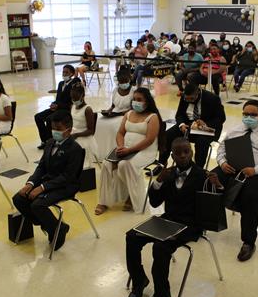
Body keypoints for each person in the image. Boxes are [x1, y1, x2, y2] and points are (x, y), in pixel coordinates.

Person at [126, 138, 211, 297]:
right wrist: (158, 181)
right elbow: (155, 202)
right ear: (172, 155)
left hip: (190, 225)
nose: (183, 156)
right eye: (178, 153)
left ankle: (161, 296)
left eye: (186, 151)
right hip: (168, 220)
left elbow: (210, 211)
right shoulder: (169, 173)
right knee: (132, 237)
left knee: (160, 247)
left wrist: (217, 186)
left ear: (192, 152)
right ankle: (139, 280)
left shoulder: (202, 175)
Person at [209, 100, 258, 260]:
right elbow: (221, 149)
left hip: (256, 172)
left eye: (253, 115)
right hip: (231, 167)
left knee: (250, 196)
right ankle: (207, 223)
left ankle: (248, 242)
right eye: (245, 114)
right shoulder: (234, 130)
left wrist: (255, 170)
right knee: (208, 181)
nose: (248, 117)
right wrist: (222, 163)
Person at [12, 110, 84, 252]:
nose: (54, 131)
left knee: (37, 205)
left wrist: (42, 187)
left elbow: (67, 177)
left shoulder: (75, 149)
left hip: (66, 185)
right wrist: (31, 184)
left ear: (69, 130)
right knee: (19, 199)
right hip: (49, 181)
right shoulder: (50, 143)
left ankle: (56, 229)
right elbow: (41, 167)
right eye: (53, 128)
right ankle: (54, 226)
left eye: (58, 129)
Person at [95, 87, 165, 215]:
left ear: (147, 101)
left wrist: (129, 150)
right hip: (125, 148)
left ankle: (132, 197)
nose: (135, 102)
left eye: (139, 99)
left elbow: (149, 140)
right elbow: (120, 133)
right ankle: (103, 201)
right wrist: (121, 146)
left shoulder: (153, 117)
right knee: (106, 164)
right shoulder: (128, 114)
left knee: (124, 164)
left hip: (145, 151)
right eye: (134, 99)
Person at [157, 83, 225, 171]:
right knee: (167, 135)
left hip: (207, 129)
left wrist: (206, 124)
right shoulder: (185, 97)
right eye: (187, 99)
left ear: (198, 93)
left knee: (201, 142)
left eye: (192, 99)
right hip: (189, 125)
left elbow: (221, 118)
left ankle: (197, 170)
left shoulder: (213, 98)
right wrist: (181, 124)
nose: (189, 101)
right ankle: (161, 164)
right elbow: (179, 114)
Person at [34, 65, 81, 148]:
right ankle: (45, 140)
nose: (64, 74)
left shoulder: (73, 84)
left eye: (67, 72)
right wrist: (53, 104)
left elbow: (71, 101)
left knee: (49, 119)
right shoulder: (60, 83)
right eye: (63, 72)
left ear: (72, 74)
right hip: (57, 107)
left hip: (65, 109)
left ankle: (50, 141)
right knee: (38, 117)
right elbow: (58, 98)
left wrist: (58, 105)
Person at [69, 82, 98, 167]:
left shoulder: (87, 110)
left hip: (84, 137)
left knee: (79, 159)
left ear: (83, 96)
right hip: (73, 134)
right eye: (72, 98)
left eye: (76, 98)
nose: (74, 100)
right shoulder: (72, 106)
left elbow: (91, 131)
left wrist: (76, 135)